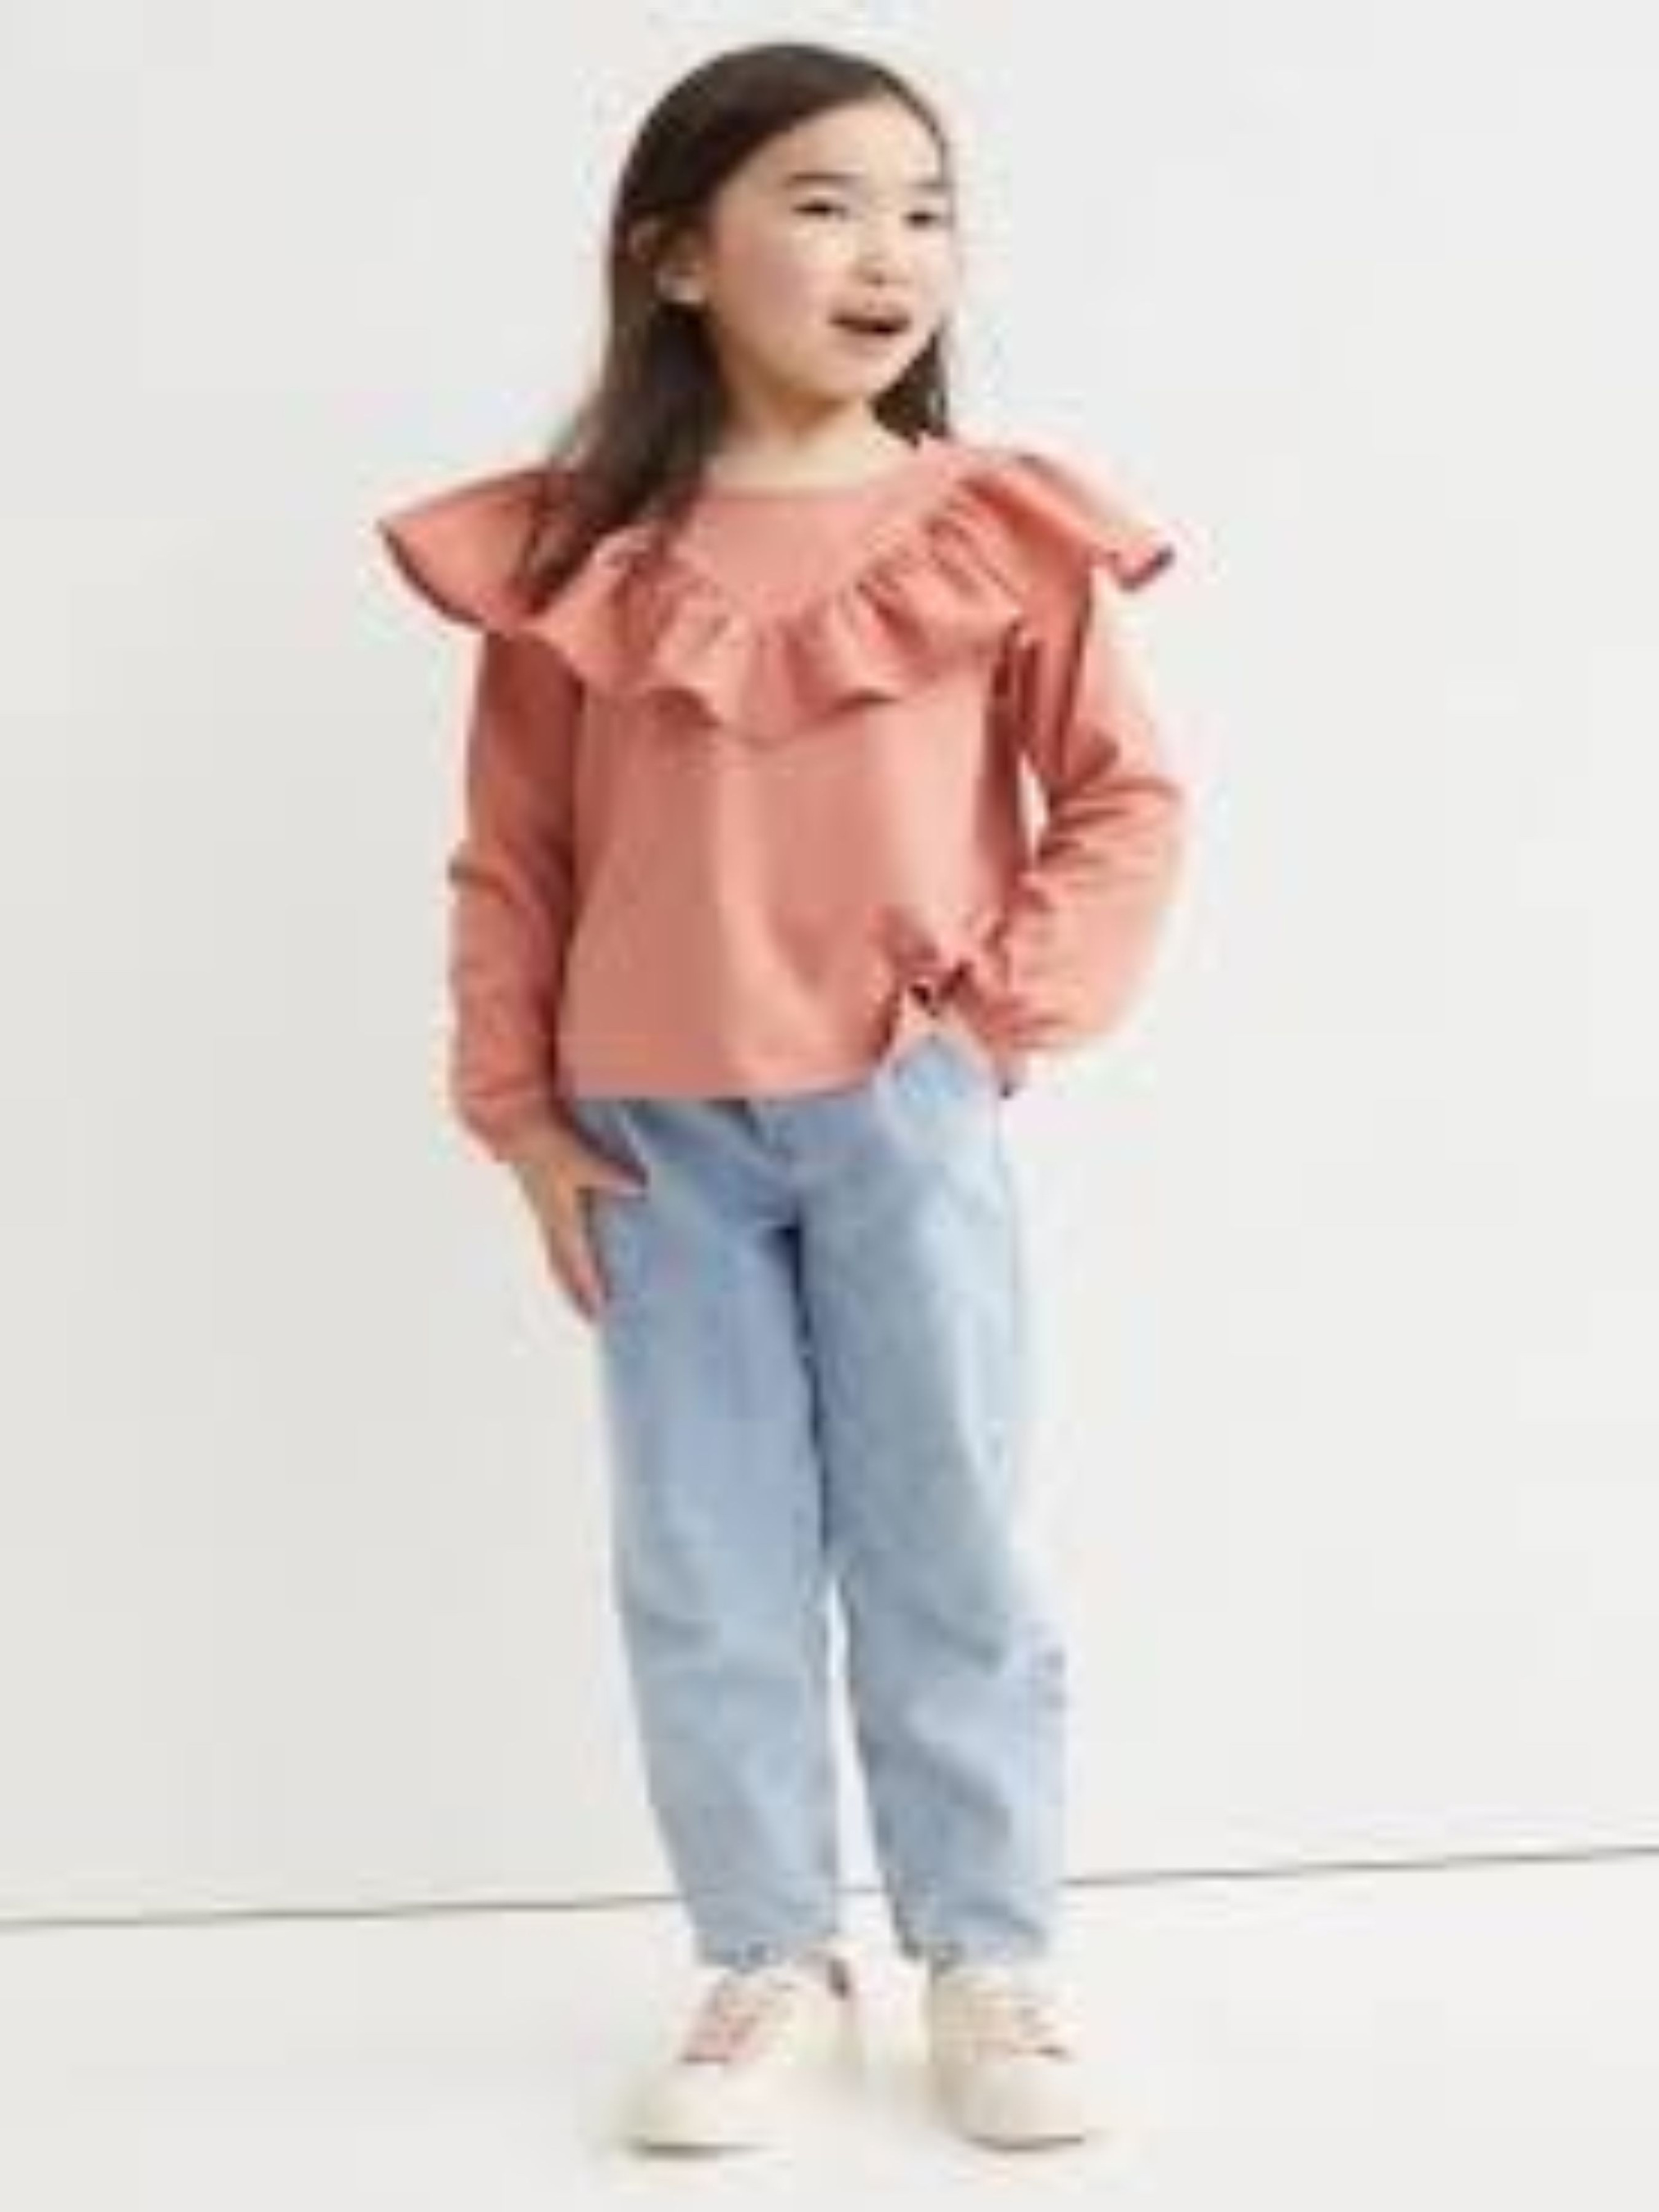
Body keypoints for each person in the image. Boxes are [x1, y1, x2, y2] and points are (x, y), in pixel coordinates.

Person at [374, 38, 1189, 2156]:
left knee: (947, 1537)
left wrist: (989, 1025)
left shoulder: (995, 527)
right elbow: (514, 854)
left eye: (924, 210)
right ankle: (765, 1951)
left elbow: (1122, 802)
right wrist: (518, 1116)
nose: (887, 252)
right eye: (822, 204)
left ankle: (986, 1949)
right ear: (676, 256)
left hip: (904, 1117)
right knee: (704, 1559)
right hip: (650, 1135)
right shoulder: (580, 555)